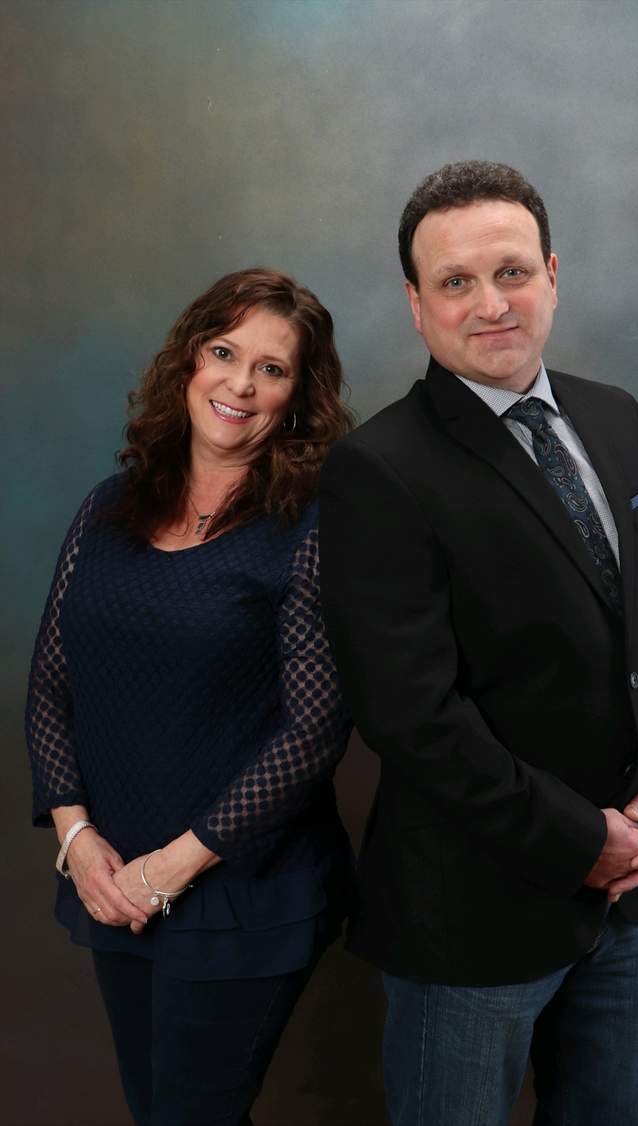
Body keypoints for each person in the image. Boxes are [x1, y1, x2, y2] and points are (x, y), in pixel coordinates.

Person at [319, 161, 638, 1125]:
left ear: (552, 275)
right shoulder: (379, 469)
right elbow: (409, 714)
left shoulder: (616, 416)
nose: (491, 304)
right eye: (456, 281)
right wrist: (583, 842)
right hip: (470, 920)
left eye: (512, 272)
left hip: (631, 903)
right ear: (416, 305)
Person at [26, 267, 355, 1126]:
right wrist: (78, 840)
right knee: (154, 1110)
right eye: (223, 352)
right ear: (188, 362)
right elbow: (53, 682)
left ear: (297, 398)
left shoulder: (312, 528)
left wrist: (168, 871)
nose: (240, 384)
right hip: (112, 880)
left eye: (271, 369)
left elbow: (315, 730)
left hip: (243, 895)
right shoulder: (109, 508)